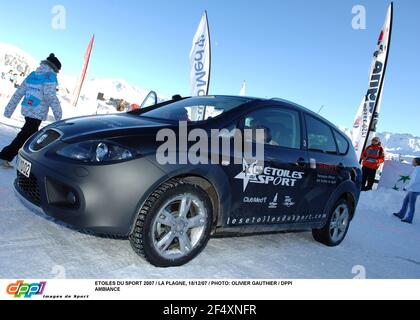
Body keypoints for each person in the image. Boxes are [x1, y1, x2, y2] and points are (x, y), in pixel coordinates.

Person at [0, 53, 63, 169]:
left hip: (27, 108)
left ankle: (18, 159)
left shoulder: (33, 74)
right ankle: (5, 157)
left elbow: (18, 92)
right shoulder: (50, 77)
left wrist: (9, 110)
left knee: (29, 136)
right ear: (55, 68)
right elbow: (50, 96)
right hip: (37, 111)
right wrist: (58, 115)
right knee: (28, 137)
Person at [393, 158, 420, 224]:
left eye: (413, 161)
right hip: (414, 189)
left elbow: (414, 181)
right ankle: (401, 214)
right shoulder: (417, 169)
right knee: (406, 201)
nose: (412, 162)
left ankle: (409, 218)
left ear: (416, 163)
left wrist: (406, 187)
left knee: (411, 204)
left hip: (414, 189)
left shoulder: (418, 169)